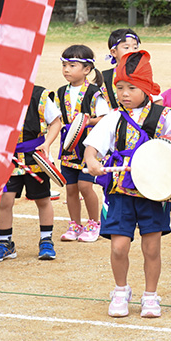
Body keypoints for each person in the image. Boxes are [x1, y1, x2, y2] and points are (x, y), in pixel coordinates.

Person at [83, 50, 171, 318]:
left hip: (153, 192)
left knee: (151, 248)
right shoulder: (113, 118)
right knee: (119, 246)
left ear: (146, 89)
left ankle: (151, 295)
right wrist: (91, 160)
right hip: (121, 194)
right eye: (120, 88)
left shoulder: (163, 115)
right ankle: (120, 289)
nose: (124, 94)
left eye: (131, 88)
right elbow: (92, 149)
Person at [0, 86, 62, 261]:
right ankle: (5, 243)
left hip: (36, 158)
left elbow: (56, 122)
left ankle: (46, 240)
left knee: (42, 199)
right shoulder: (0, 92)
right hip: (9, 159)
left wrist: (47, 143)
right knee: (5, 199)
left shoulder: (39, 95)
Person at [56, 45, 107, 243]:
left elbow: (105, 118)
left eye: (72, 65)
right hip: (69, 148)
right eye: (64, 65)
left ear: (86, 69)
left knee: (86, 187)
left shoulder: (95, 93)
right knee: (70, 188)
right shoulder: (61, 92)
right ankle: (74, 224)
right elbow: (57, 120)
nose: (66, 69)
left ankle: (94, 223)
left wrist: (87, 122)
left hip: (88, 147)